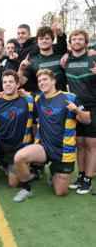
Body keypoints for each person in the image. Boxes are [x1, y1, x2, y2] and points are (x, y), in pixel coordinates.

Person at [13, 69, 90, 202]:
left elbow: (87, 120)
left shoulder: (70, 97)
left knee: (60, 192)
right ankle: (27, 189)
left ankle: (54, 170)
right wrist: (1, 94)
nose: (42, 83)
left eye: (45, 80)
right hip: (44, 146)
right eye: (39, 81)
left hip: (63, 151)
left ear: (53, 81)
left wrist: (76, 110)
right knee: (19, 157)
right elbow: (19, 92)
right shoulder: (38, 98)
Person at [65, 29, 96, 194]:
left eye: (80, 39)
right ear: (70, 43)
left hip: (93, 106)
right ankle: (81, 175)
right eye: (74, 39)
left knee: (91, 144)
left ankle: (88, 179)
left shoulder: (93, 57)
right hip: (76, 107)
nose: (77, 41)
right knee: (80, 143)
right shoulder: (66, 60)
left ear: (85, 42)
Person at [18, 26, 67, 93]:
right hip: (42, 100)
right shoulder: (32, 61)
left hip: (62, 99)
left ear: (52, 40)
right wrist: (21, 69)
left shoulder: (62, 57)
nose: (44, 41)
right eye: (41, 39)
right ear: (37, 42)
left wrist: (68, 54)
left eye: (47, 38)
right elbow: (21, 82)